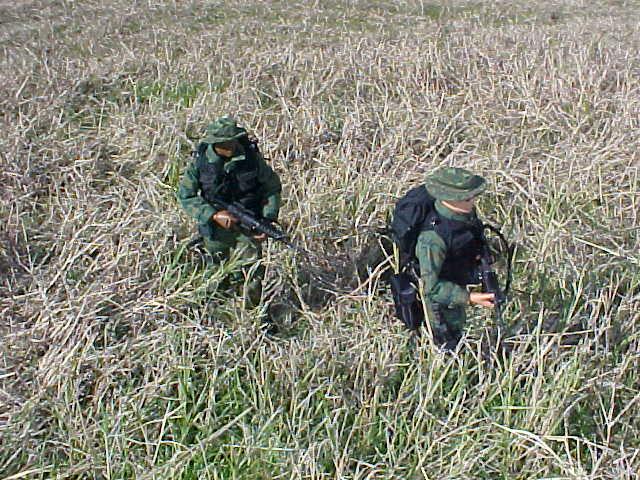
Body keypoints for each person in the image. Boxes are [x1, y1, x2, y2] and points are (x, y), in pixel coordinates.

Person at [176, 116, 282, 311]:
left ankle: (252, 313)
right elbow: (186, 195)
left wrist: (267, 219)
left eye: (233, 141)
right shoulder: (201, 163)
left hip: (247, 225)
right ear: (214, 144)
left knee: (251, 273)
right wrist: (213, 215)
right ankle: (210, 311)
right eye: (225, 143)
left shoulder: (251, 160)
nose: (231, 147)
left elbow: (272, 188)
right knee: (215, 272)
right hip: (215, 230)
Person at [416, 167, 495, 348]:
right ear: (451, 199)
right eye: (467, 198)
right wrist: (469, 297)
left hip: (455, 284)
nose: (473, 202)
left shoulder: (463, 216)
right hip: (438, 310)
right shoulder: (432, 240)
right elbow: (431, 288)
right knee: (447, 345)